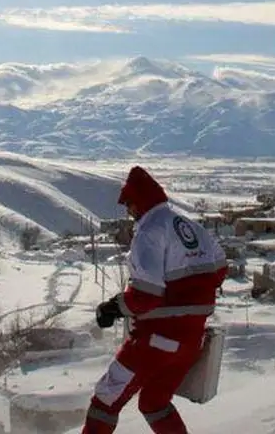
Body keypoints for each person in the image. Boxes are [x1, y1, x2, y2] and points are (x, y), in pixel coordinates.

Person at [82, 166, 227, 434]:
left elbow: (146, 295)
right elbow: (219, 270)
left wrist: (112, 308)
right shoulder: (192, 226)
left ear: (139, 201)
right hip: (191, 340)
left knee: (106, 398)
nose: (128, 211)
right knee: (153, 402)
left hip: (156, 339)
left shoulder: (149, 232)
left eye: (128, 204)